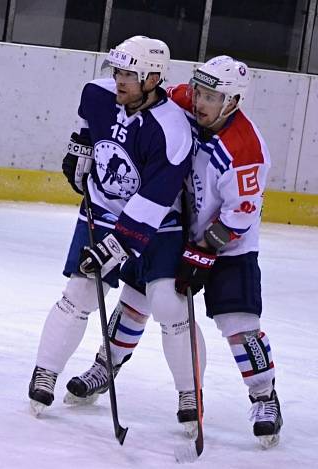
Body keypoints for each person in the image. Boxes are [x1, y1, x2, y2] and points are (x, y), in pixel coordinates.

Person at [65, 56, 282, 448]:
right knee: (135, 301)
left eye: (210, 96)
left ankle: (264, 396)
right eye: (198, 90)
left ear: (232, 101)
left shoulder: (245, 149)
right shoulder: (183, 100)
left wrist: (205, 251)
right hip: (172, 230)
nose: (198, 100)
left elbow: (241, 215)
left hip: (229, 247)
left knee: (238, 325)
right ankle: (104, 367)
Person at [29, 36, 205, 426]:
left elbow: (155, 200)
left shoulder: (172, 130)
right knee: (80, 292)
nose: (120, 80)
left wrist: (115, 248)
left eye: (130, 73)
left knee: (167, 304)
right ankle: (45, 372)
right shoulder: (96, 94)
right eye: (118, 71)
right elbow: (88, 126)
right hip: (103, 210)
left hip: (159, 225)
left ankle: (190, 392)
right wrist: (82, 146)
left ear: (153, 77)